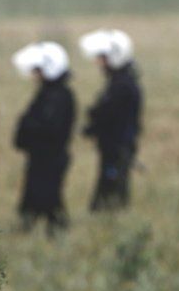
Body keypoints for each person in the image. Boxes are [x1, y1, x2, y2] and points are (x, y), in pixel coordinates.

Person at [12, 41, 76, 235]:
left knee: (49, 201)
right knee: (34, 201)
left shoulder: (59, 97)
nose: (34, 74)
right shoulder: (49, 94)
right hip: (40, 158)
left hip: (50, 159)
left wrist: (27, 127)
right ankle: (30, 234)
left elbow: (49, 128)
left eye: (38, 69)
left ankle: (55, 236)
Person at [79, 29, 143, 211]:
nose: (98, 62)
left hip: (117, 148)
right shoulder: (121, 82)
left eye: (102, 57)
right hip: (114, 147)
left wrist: (94, 124)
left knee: (110, 197)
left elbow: (107, 115)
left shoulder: (122, 86)